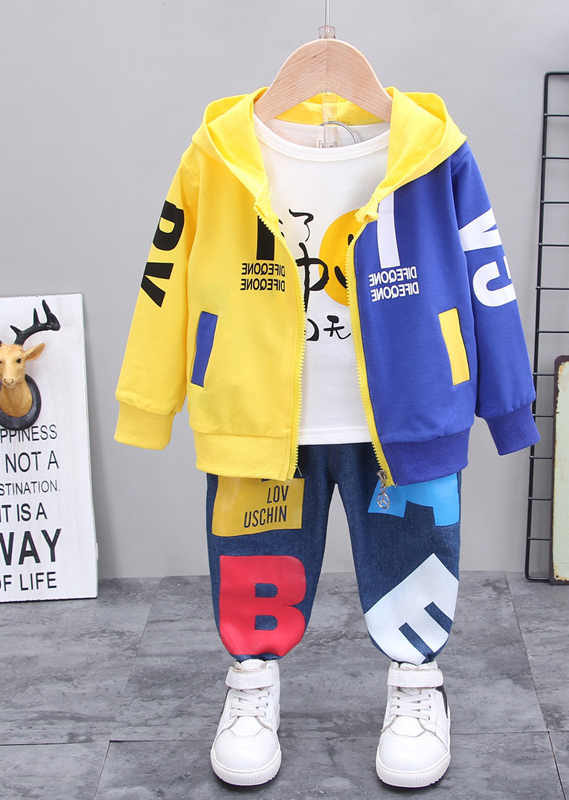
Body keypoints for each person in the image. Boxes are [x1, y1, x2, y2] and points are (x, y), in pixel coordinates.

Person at [115, 86, 539, 788]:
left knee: (415, 562)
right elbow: (164, 278)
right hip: (255, 415)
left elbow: (487, 275)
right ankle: (252, 681)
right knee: (256, 568)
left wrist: (508, 403)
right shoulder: (218, 151)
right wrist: (148, 403)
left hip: (409, 412)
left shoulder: (434, 151)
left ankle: (418, 683)